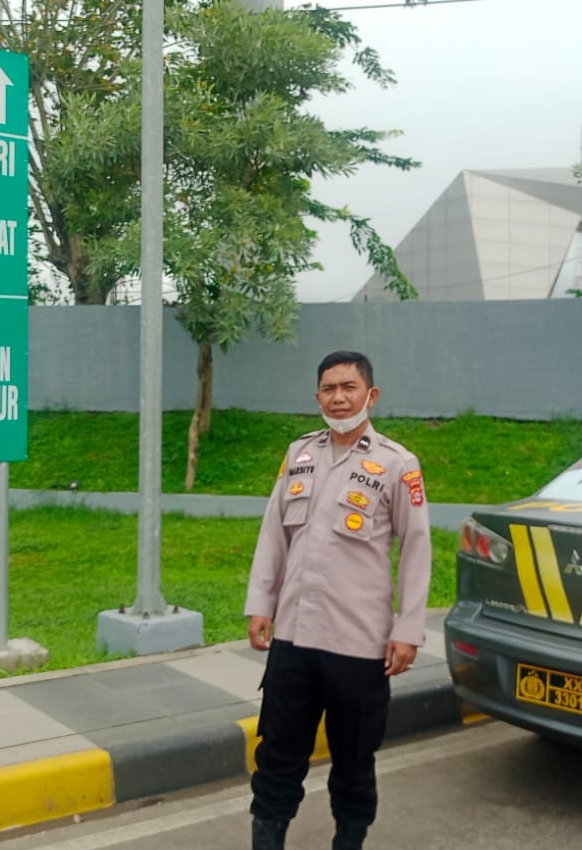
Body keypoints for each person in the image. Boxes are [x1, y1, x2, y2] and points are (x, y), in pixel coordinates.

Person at [244, 350, 432, 850]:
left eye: (349, 387)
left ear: (371, 395)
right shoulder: (299, 454)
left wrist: (407, 630)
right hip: (293, 639)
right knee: (277, 756)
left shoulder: (397, 464)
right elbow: (273, 534)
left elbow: (417, 548)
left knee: (353, 761)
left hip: (358, 644)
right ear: (317, 397)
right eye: (329, 388)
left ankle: (349, 840)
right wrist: (261, 603)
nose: (339, 397)